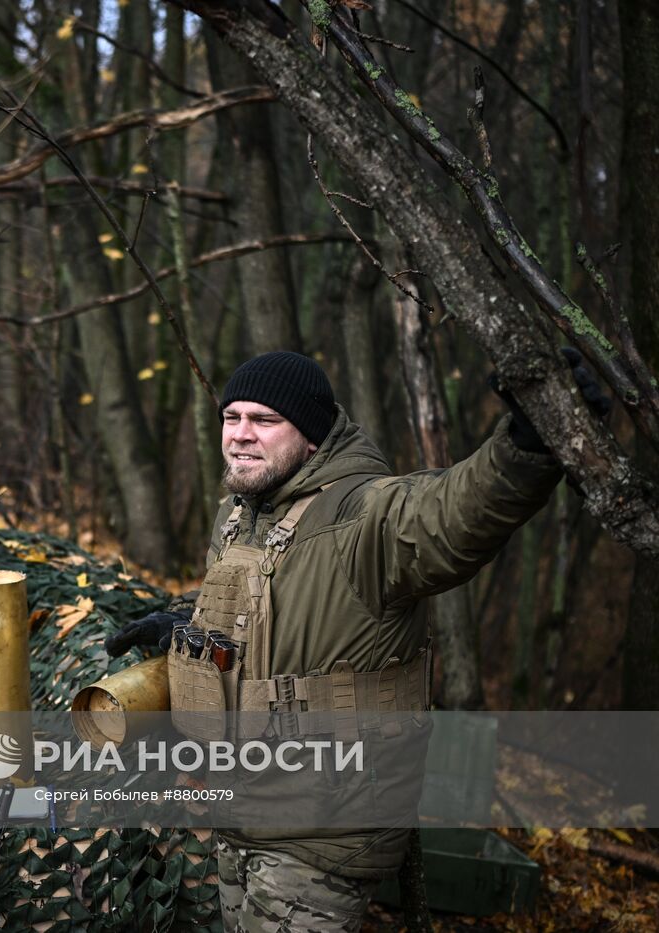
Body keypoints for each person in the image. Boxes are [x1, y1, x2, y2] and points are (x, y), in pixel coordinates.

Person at [106, 350, 608, 932]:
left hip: (323, 830)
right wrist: (187, 632)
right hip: (244, 810)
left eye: (264, 420)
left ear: (313, 438)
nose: (240, 435)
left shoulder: (365, 515)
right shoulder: (241, 514)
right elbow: (257, 624)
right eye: (231, 417)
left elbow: (457, 511)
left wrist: (527, 445)